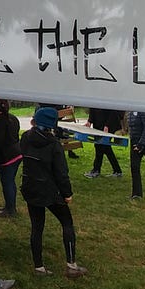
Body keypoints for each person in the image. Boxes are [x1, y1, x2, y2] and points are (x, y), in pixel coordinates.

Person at [19, 107, 88, 278]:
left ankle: (39, 267)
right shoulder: (53, 144)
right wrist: (67, 193)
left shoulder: (25, 138)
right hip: (51, 191)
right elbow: (61, 173)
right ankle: (71, 265)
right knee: (67, 223)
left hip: (31, 187)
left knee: (37, 227)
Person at [0, 98, 20, 216]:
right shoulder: (13, 118)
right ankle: (10, 205)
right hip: (17, 153)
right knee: (11, 181)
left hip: (6, 157)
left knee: (7, 182)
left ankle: (10, 209)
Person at [83, 108, 123, 178]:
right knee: (104, 147)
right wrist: (89, 121)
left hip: (109, 125)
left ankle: (96, 170)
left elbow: (113, 111)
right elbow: (93, 108)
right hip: (99, 125)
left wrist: (107, 125)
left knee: (101, 147)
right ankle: (117, 171)